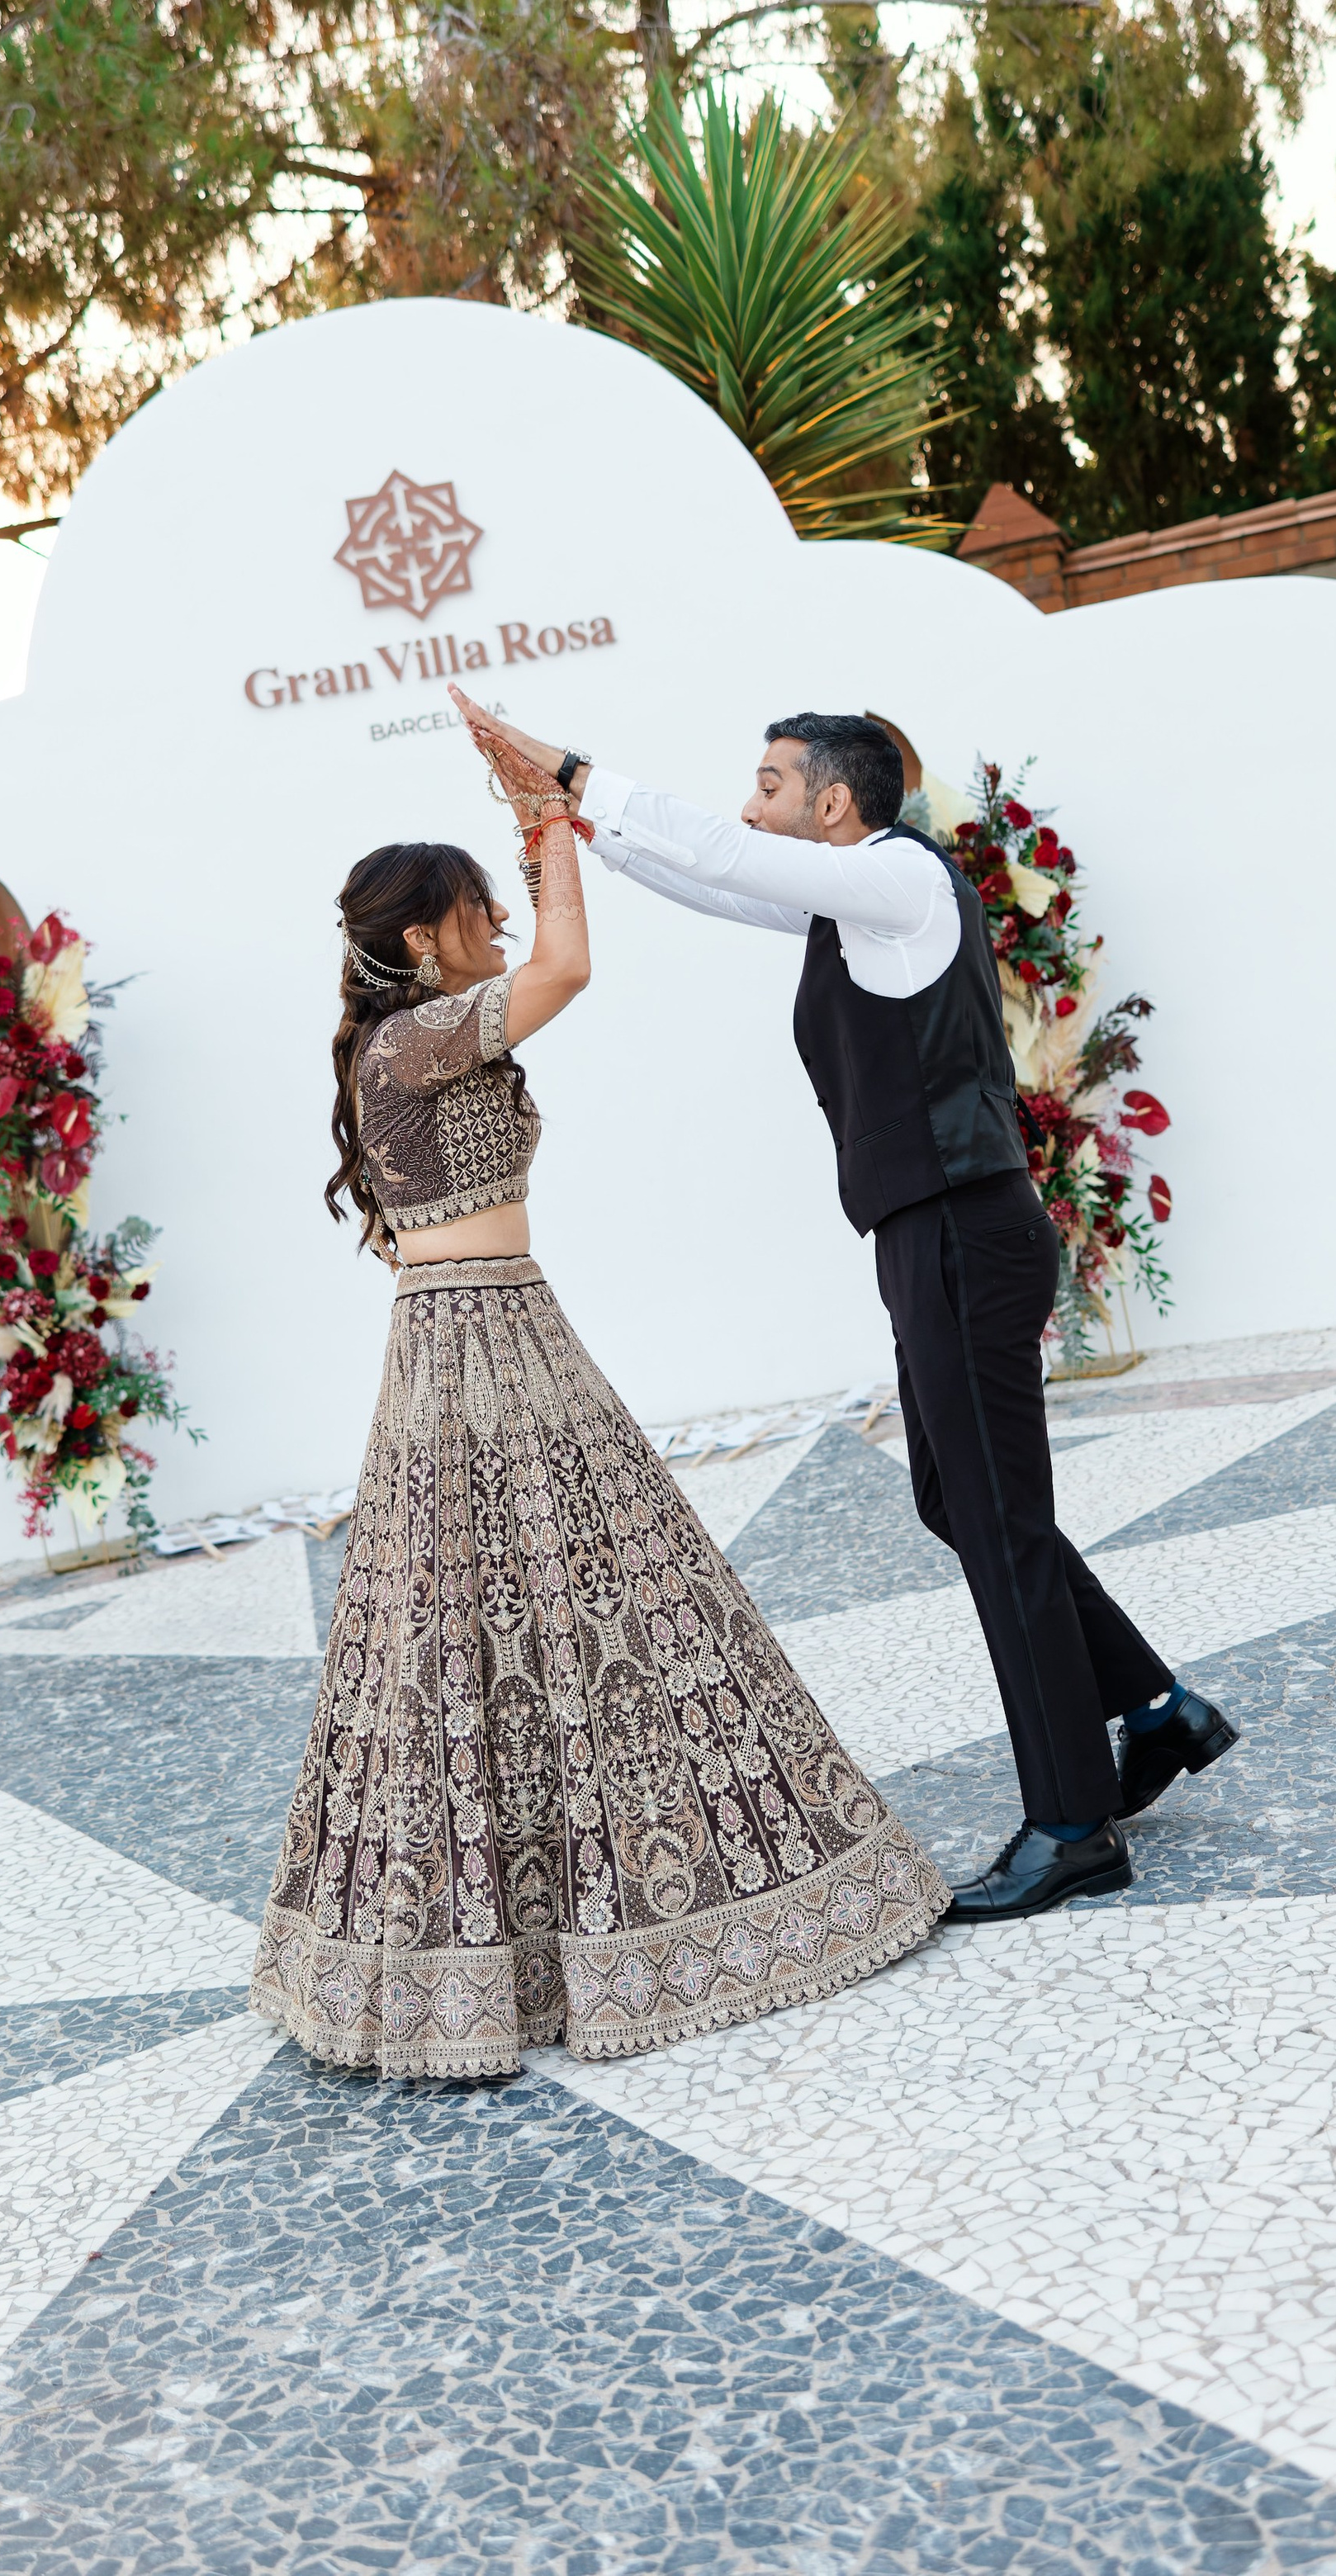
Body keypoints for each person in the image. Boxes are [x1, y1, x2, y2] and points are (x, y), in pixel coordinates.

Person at [445, 690, 1239, 1925]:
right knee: (953, 1498)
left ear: (831, 799)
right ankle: (1153, 1706)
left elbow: (726, 855)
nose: (750, 804)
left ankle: (1075, 1823)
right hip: (930, 1238)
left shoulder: (901, 882)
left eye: (769, 783)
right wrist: (571, 826)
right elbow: (715, 879)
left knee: (1000, 1521)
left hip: (965, 1233)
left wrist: (572, 766)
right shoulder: (843, 902)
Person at [246, 722, 949, 2082]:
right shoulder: (406, 1042)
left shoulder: (420, 1039)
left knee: (580, 1618)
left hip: (504, 1329)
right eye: (478, 908)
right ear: (426, 940)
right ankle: (505, 1957)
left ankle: (610, 1913)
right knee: (494, 1639)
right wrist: (558, 823)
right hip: (471, 1353)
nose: (500, 921)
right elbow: (569, 963)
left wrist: (542, 836)